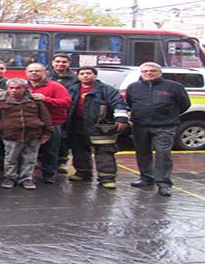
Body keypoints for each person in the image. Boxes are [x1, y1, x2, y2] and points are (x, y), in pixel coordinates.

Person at [126, 62, 190, 197]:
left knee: (163, 154)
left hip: (165, 126)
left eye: (152, 71)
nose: (149, 73)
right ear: (141, 73)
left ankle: (163, 183)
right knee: (142, 152)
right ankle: (146, 177)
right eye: (145, 71)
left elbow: (184, 104)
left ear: (160, 72)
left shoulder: (174, 87)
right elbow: (130, 103)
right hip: (140, 125)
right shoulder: (133, 87)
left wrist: (168, 115)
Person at [66, 67, 129, 188]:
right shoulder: (73, 89)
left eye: (88, 73)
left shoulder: (107, 90)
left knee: (104, 151)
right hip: (77, 124)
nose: (85, 76)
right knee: (79, 150)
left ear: (95, 75)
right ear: (78, 76)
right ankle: (83, 172)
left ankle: (107, 178)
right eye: (82, 74)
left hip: (101, 126)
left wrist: (121, 118)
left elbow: (118, 103)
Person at [0, 78, 53, 190]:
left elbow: (45, 117)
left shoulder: (35, 100)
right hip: (11, 135)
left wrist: (47, 132)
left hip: (33, 134)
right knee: (10, 158)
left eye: (18, 88)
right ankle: (9, 177)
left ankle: (26, 179)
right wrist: (2, 127)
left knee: (30, 158)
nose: (14, 90)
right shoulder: (0, 101)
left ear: (24, 89)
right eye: (11, 88)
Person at [25, 63, 71, 184]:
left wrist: (46, 99)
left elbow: (66, 102)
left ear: (45, 72)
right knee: (27, 150)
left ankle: (49, 174)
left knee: (51, 150)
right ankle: (25, 175)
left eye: (37, 71)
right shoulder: (22, 86)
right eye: (31, 71)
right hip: (29, 124)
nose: (34, 73)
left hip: (53, 123)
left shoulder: (56, 86)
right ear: (26, 73)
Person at [47, 53, 78, 173]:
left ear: (69, 64)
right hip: (51, 112)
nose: (60, 64)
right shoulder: (46, 76)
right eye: (58, 61)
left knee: (64, 138)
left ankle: (62, 162)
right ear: (52, 63)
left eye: (64, 62)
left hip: (69, 111)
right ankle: (42, 160)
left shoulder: (74, 79)